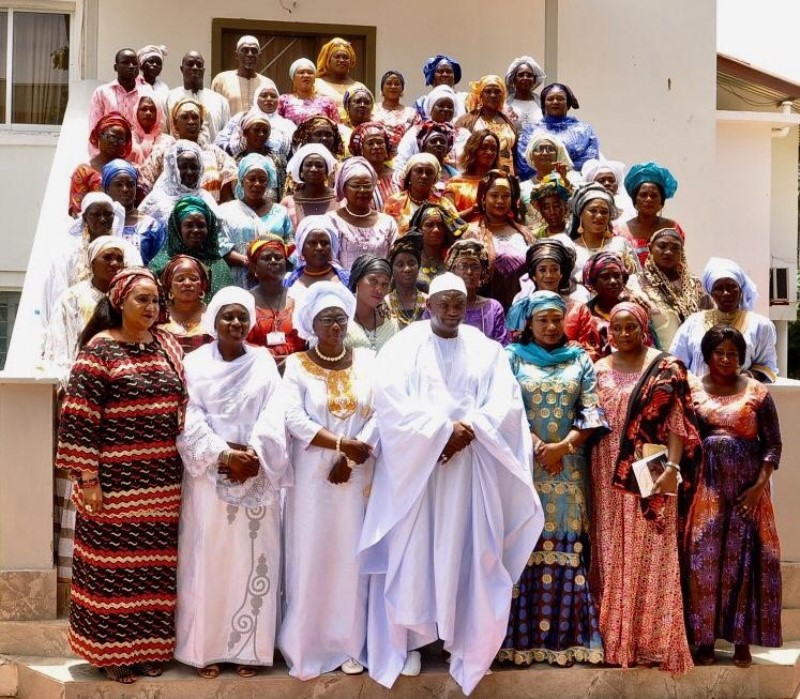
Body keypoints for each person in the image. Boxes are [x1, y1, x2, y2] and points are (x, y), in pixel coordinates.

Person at [359, 272, 544, 694]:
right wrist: (440, 433)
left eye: (457, 303)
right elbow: (390, 402)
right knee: (415, 554)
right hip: (417, 473)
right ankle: (409, 643)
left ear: (466, 305)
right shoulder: (403, 347)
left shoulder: (486, 350)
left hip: (470, 467)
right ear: (429, 305)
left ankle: (462, 641)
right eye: (442, 302)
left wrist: (468, 430)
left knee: (470, 552)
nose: (450, 309)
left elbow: (505, 402)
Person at [54, 268, 187, 684]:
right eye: (141, 300)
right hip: (112, 486)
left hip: (163, 484)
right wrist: (88, 479)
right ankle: (111, 653)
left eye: (154, 300)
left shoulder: (166, 344)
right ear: (118, 302)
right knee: (111, 572)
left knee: (153, 570)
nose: (151, 308)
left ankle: (148, 648)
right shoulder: (99, 351)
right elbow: (78, 419)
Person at [175, 286, 289, 679]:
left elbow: (276, 414)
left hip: (256, 473)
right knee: (209, 563)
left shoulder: (263, 363)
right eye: (228, 316)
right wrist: (224, 455)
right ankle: (204, 650)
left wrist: (253, 455)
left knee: (254, 560)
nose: (236, 323)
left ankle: (250, 650)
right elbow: (190, 416)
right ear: (213, 321)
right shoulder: (192, 363)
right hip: (210, 476)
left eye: (242, 316)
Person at [591, 302, 701, 674]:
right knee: (611, 551)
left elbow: (677, 424)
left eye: (630, 328)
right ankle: (616, 640)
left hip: (652, 469)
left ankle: (654, 641)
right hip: (607, 472)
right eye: (616, 328)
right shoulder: (597, 369)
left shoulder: (665, 367)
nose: (623, 335)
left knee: (653, 551)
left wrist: (672, 467)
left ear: (643, 329)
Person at [500, 290, 606, 667]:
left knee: (569, 548)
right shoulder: (511, 358)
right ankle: (519, 642)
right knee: (523, 549)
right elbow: (505, 408)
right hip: (524, 467)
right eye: (542, 319)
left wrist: (562, 446)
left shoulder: (579, 359)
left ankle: (568, 638)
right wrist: (535, 444)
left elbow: (592, 412)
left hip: (569, 468)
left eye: (556, 319)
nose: (550, 326)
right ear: (528, 322)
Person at [280, 281, 377, 678]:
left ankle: (350, 644)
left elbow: (382, 412)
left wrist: (353, 456)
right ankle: (306, 644)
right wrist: (340, 444)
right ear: (311, 324)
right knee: (312, 555)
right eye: (326, 319)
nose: (335, 325)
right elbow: (293, 418)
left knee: (352, 558)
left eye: (340, 317)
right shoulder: (296, 366)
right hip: (312, 481)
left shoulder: (369, 360)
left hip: (358, 476)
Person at [686, 325, 783, 669]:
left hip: (748, 492)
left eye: (733, 353)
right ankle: (705, 639)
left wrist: (758, 488)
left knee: (744, 562)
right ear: (707, 355)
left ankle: (742, 640)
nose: (726, 359)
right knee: (703, 561)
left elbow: (773, 445)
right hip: (706, 489)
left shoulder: (757, 392)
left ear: (742, 357)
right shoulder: (692, 390)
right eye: (719, 352)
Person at [46, 237, 128, 600]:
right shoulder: (72, 298)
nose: (113, 264)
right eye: (107, 258)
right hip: (85, 404)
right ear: (92, 261)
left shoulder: (127, 301)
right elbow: (60, 350)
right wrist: (82, 385)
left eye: (119, 258)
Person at [670, 257, 778, 382]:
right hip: (699, 396)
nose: (726, 293)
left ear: (741, 290)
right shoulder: (693, 323)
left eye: (732, 287)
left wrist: (743, 379)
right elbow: (676, 362)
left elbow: (767, 366)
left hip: (741, 396)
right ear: (711, 293)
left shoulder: (761, 325)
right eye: (719, 288)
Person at [44, 193, 136, 324]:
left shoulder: (127, 250)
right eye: (96, 214)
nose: (103, 219)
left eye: (108, 214)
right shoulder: (69, 252)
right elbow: (57, 293)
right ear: (85, 218)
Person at [140, 98, 237, 203]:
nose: (191, 122)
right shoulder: (164, 150)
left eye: (195, 117)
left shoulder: (214, 153)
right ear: (176, 124)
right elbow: (144, 183)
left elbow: (230, 180)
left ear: (201, 123)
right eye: (185, 117)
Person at [627, 228, 711, 350]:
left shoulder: (694, 284)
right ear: (650, 248)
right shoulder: (634, 284)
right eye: (662, 246)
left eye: (675, 248)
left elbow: (709, 319)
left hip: (694, 357)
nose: (668, 252)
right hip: (657, 359)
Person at [218, 153, 293, 287]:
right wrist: (249, 262)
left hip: (273, 278)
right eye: (251, 179)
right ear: (241, 180)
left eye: (262, 180)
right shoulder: (225, 211)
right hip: (237, 280)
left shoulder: (280, 212)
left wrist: (269, 264)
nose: (257, 184)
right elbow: (221, 247)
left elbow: (290, 245)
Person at [465, 170, 535, 309]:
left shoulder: (526, 234)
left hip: (522, 309)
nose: (500, 201)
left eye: (506, 196)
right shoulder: (471, 233)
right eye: (494, 195)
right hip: (484, 311)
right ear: (484, 198)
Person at [149, 195, 234, 297]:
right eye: (189, 225)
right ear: (178, 229)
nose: (196, 230)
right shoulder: (160, 266)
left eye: (201, 225)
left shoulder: (219, 266)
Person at [516, 83, 599, 180]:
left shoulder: (584, 130)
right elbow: (524, 163)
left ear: (568, 104)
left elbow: (590, 162)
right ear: (543, 105)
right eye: (550, 99)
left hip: (574, 185)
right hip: (539, 186)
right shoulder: (531, 130)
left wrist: (564, 177)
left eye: (560, 98)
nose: (555, 102)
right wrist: (546, 180)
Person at [560, 182, 639, 283]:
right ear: (580, 214)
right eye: (592, 210)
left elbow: (637, 278)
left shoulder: (620, 244)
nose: (599, 216)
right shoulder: (570, 249)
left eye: (604, 212)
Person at [328, 157, 398, 269]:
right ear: (344, 188)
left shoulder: (387, 222)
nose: (362, 190)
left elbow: (394, 258)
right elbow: (330, 260)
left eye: (367, 186)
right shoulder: (332, 221)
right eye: (355, 186)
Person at [246, 236, 305, 370]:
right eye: (267, 258)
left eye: (278, 258)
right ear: (254, 267)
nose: (273, 261)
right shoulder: (244, 301)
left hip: (296, 370)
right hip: (256, 371)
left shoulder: (299, 296)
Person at [437, 240, 508, 344]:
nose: (469, 272)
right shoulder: (437, 305)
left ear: (482, 272)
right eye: (463, 266)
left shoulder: (493, 308)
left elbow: (503, 346)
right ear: (453, 270)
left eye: (475, 267)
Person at [394, 85, 468, 177]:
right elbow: (401, 162)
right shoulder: (416, 132)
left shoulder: (464, 134)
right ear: (431, 108)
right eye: (441, 105)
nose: (445, 109)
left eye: (450, 107)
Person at [139, 139, 219, 224]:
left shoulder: (206, 199)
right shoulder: (155, 200)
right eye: (183, 167)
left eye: (194, 167)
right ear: (173, 170)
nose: (189, 172)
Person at [215, 80, 296, 164]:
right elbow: (219, 143)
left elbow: (296, 152)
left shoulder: (288, 125)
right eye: (264, 95)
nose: (269, 99)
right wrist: (242, 144)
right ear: (256, 98)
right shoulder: (242, 117)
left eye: (273, 96)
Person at [102, 159, 165, 265]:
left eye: (130, 184)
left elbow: (160, 264)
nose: (125, 189)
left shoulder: (151, 226)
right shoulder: (98, 223)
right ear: (107, 188)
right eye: (118, 184)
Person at [69, 112, 133, 217]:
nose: (116, 142)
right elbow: (77, 211)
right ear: (99, 135)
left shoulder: (128, 170)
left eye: (121, 139)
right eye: (112, 137)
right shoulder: (84, 171)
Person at [618, 162, 683, 266]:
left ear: (661, 202)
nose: (648, 199)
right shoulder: (621, 231)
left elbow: (680, 261)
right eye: (643, 195)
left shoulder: (672, 228)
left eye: (654, 195)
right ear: (635, 201)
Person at [383, 153, 458, 236]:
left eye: (429, 172)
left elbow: (455, 233)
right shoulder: (393, 203)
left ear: (435, 178)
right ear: (409, 175)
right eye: (419, 171)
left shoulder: (444, 205)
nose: (424, 176)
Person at [455, 75, 517, 175]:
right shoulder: (467, 120)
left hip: (507, 178)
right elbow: (459, 152)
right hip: (479, 177)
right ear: (480, 95)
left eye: (497, 92)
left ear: (502, 95)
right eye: (488, 91)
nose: (493, 95)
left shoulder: (508, 121)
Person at [166, 51, 230, 143]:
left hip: (212, 155)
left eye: (199, 65)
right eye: (190, 64)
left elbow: (226, 136)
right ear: (182, 69)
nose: (195, 68)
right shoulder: (170, 97)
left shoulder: (220, 101)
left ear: (203, 70)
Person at [582, 251, 635, 361]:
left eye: (617, 276)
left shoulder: (633, 309)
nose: (613, 281)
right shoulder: (585, 314)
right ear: (593, 283)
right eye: (605, 277)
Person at [284, 215, 349, 304]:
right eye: (312, 243)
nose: (319, 248)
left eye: (324, 243)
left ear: (332, 249)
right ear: (302, 250)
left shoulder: (346, 280)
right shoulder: (289, 282)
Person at [156, 254, 213, 353]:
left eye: (193, 279)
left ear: (202, 285)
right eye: (180, 279)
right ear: (169, 286)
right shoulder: (156, 315)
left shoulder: (213, 315)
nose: (187, 283)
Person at [87, 48, 149, 136]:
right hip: (111, 147)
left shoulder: (147, 92)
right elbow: (94, 128)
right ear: (116, 67)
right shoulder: (102, 93)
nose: (131, 66)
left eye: (135, 63)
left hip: (141, 148)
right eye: (126, 63)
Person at [443, 130, 500, 221]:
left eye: (493, 149)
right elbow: (448, 218)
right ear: (473, 149)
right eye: (484, 148)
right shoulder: (455, 183)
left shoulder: (500, 180)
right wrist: (474, 210)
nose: (489, 152)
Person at [345, 255, 399, 352]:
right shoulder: (342, 322)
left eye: (384, 284)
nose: (379, 289)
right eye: (373, 281)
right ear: (357, 281)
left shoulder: (391, 324)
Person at [211, 35, 273, 116]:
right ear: (237, 55)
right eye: (244, 50)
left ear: (259, 56)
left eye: (254, 51)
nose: (250, 54)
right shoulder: (221, 80)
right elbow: (214, 112)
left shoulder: (268, 84)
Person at [408, 202, 466, 287]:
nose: (436, 230)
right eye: (429, 225)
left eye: (441, 225)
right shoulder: (409, 260)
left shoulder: (454, 259)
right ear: (419, 229)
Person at [281, 143, 339, 228]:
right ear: (301, 171)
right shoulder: (288, 203)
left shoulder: (339, 199)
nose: (313, 169)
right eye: (308, 165)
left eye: (319, 165)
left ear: (327, 172)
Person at [314, 37, 368, 120]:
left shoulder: (360, 87)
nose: (341, 60)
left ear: (350, 62)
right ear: (328, 60)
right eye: (337, 57)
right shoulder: (316, 84)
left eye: (345, 57)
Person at [348, 122, 398, 210]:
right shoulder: (352, 178)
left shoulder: (398, 178)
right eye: (370, 143)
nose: (376, 147)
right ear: (361, 149)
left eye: (380, 142)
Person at [278, 58, 340, 126]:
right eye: (301, 72)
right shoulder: (283, 100)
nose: (306, 75)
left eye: (310, 73)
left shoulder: (327, 101)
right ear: (293, 78)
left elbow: (337, 127)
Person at [384, 232, 426, 326]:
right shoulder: (385, 304)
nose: (407, 269)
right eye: (400, 265)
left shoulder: (429, 302)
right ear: (392, 270)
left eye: (411, 263)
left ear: (419, 266)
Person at [372, 70, 419, 148]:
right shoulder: (372, 110)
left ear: (402, 89)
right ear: (382, 88)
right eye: (389, 83)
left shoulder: (411, 113)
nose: (393, 87)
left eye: (397, 84)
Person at [413, 54, 467, 119]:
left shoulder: (465, 99)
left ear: (454, 77)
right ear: (433, 77)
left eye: (449, 71)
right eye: (440, 71)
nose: (445, 74)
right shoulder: (421, 103)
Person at [581, 158, 635, 224]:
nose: (607, 183)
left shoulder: (628, 208)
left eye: (611, 180)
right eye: (601, 181)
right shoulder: (583, 208)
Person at [504, 56, 546, 129]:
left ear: (534, 80)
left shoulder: (542, 103)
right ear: (513, 79)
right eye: (521, 75)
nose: (525, 78)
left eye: (529, 75)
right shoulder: (506, 103)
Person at [527, 172, 572, 238]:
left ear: (565, 206)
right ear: (540, 210)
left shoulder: (575, 232)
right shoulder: (536, 236)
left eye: (556, 206)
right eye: (546, 207)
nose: (552, 212)